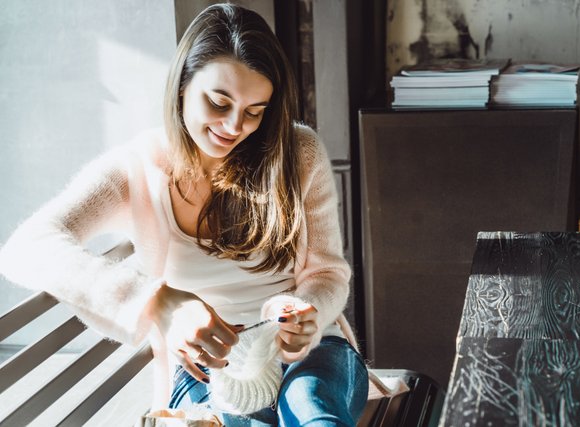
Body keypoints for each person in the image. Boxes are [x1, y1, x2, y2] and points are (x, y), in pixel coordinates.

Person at [0, 4, 368, 426]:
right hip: (207, 365)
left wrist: (307, 312)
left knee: (314, 411)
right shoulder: (135, 170)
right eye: (218, 102)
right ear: (181, 88)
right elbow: (27, 246)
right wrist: (153, 300)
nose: (234, 126)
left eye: (254, 111)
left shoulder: (298, 154)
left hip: (310, 354)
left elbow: (328, 275)